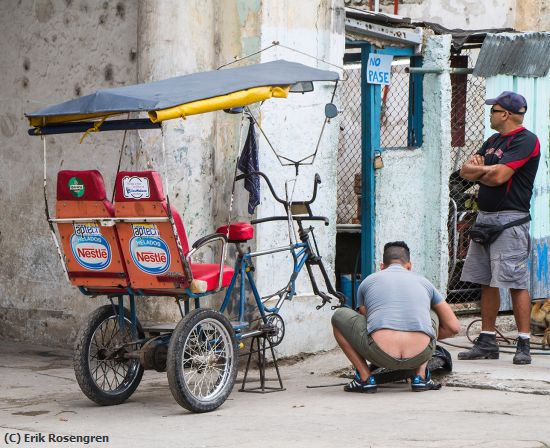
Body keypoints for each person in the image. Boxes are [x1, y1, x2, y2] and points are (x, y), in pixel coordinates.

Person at [458, 91, 540, 365]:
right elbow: (464, 172)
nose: (490, 113)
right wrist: (484, 173)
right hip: (485, 218)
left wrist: (482, 172)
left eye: (494, 110)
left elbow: (501, 176)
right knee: (486, 280)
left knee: (516, 283)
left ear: (505, 114)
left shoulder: (526, 140)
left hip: (510, 220)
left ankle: (524, 342)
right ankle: (486, 340)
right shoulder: (493, 141)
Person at [331, 241, 460, 393]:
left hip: (378, 354)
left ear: (382, 266)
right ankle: (421, 377)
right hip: (421, 354)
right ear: (409, 266)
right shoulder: (425, 283)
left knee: (339, 315)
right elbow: (454, 327)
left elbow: (367, 320)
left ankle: (364, 379)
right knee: (431, 313)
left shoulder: (368, 282)